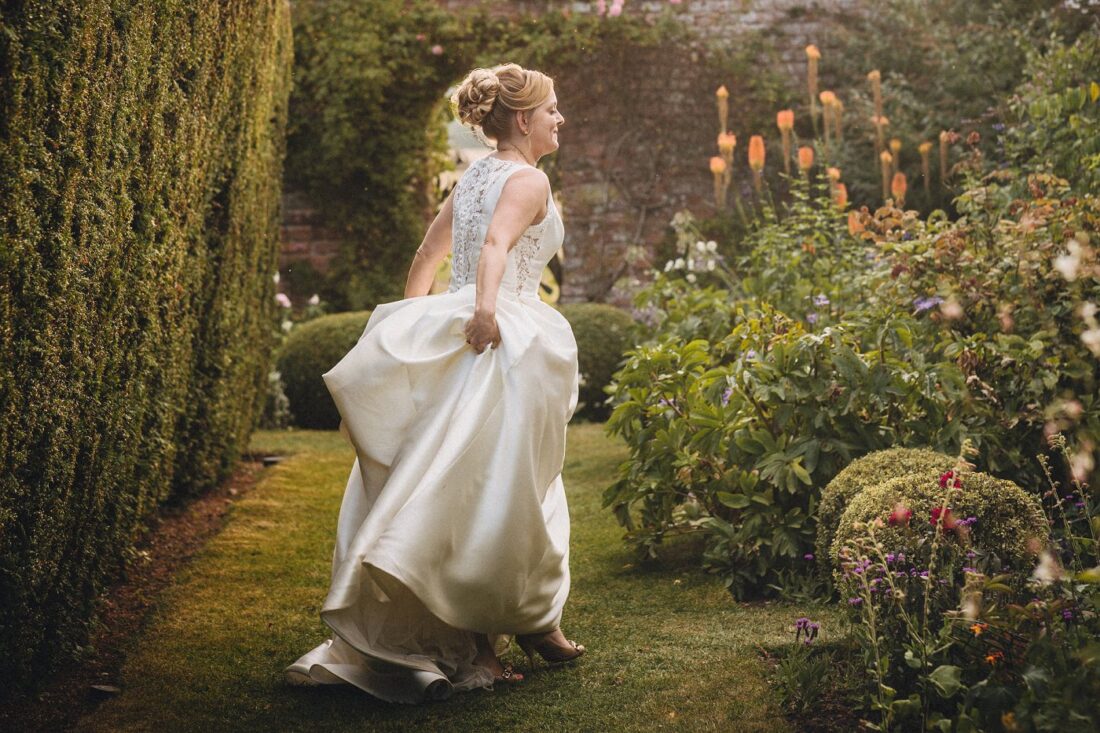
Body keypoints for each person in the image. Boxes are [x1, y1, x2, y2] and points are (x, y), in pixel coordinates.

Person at [285, 63, 585, 703]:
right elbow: (496, 247)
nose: (561, 119)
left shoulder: (474, 175)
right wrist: (484, 312)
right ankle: (496, 638)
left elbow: (426, 256)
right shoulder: (528, 179)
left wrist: (411, 332)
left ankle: (532, 625)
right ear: (525, 119)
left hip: (458, 329)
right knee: (500, 488)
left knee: (475, 484)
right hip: (501, 336)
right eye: (553, 110)